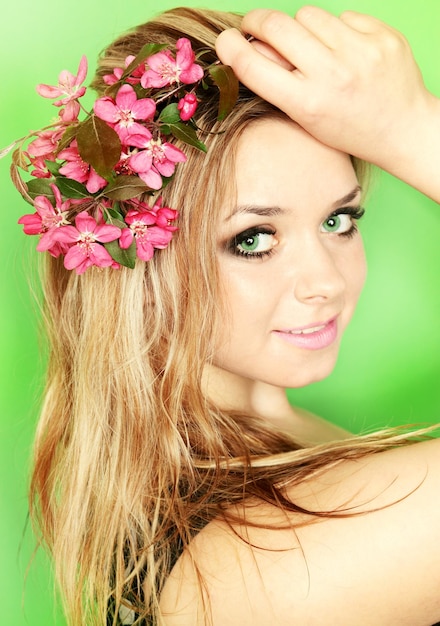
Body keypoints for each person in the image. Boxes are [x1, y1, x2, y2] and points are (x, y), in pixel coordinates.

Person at [7, 5, 440, 626]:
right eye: (254, 239)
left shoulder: (278, 471)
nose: (326, 282)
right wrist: (415, 131)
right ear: (142, 270)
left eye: (339, 220)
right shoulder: (267, 561)